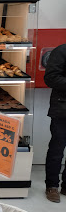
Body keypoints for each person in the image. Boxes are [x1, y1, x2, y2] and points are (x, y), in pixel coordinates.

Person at [44, 43, 66, 202]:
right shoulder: (61, 51)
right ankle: (52, 186)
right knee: (57, 149)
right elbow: (51, 78)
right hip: (62, 108)